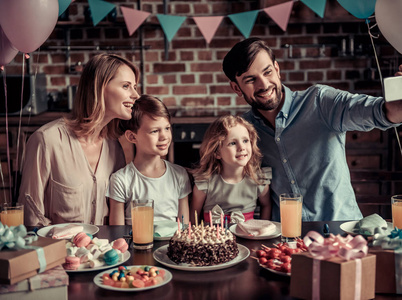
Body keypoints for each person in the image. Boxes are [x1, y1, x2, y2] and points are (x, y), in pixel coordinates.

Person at [222, 37, 402, 222]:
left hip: (341, 234)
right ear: (236, 87)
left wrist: (399, 101)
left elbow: (379, 112)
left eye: (267, 72)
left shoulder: (320, 101)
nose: (264, 84)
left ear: (277, 69)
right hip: (285, 240)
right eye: (251, 79)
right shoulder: (243, 130)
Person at [19, 53, 140, 226]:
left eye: (135, 86)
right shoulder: (46, 141)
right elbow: (29, 218)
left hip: (104, 250)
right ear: (99, 87)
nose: (135, 95)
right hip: (58, 250)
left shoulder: (115, 148)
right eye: (126, 86)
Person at [107, 94, 192, 225]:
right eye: (154, 131)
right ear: (132, 137)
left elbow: (184, 228)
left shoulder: (179, 175)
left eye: (167, 128)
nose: (164, 136)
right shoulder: (120, 180)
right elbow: (117, 233)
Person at [190, 115, 272, 225]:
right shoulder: (204, 183)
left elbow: (266, 206)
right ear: (217, 153)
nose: (241, 147)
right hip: (214, 240)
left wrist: (262, 228)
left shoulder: (259, 179)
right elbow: (193, 215)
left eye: (245, 141)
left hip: (248, 239)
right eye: (233, 143)